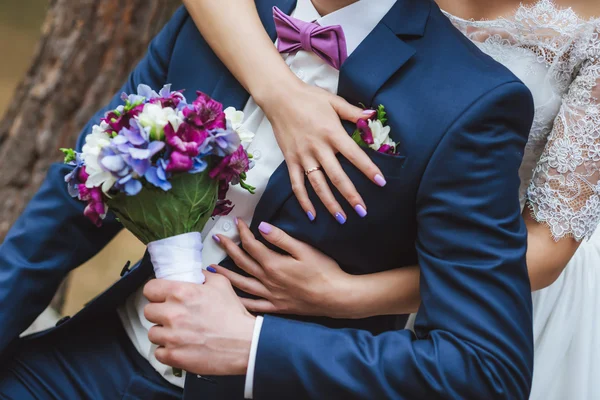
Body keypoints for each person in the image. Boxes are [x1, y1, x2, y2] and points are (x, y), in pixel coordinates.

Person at [0, 0, 535, 399]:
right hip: (94, 358)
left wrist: (253, 346)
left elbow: (485, 368)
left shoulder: (471, 101)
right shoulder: (222, 16)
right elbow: (81, 192)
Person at [178, 0, 600, 399]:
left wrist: (351, 295)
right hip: (357, 218)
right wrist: (284, 95)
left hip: (483, 275)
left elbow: (546, 245)